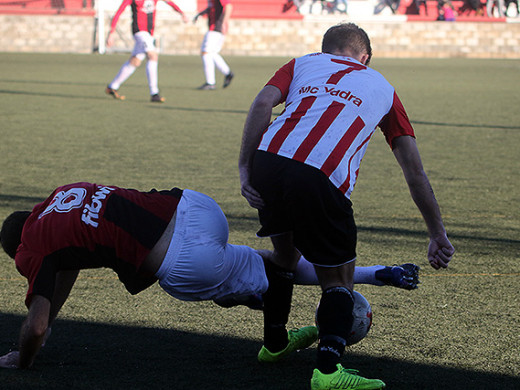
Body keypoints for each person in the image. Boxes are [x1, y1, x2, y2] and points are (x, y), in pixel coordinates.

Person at [238, 22, 454, 390]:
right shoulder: (383, 88)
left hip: (268, 161)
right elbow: (413, 169)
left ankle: (274, 345)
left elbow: (261, 104)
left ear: (325, 49)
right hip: (319, 173)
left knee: (284, 255)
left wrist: (245, 167)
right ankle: (327, 372)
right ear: (365, 57)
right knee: (339, 279)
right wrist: (437, 232)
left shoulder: (303, 63)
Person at [0, 182, 420, 369]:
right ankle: (374, 273)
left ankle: (270, 327)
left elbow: (34, 327)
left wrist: (25, 355)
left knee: (258, 280)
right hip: (197, 207)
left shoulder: (33, 247)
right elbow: (67, 264)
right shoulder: (60, 197)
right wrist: (53, 313)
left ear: (18, 249)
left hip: (184, 260)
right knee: (266, 261)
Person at [105, 0, 188, 103]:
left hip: (148, 34)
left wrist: (182, 13)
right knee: (152, 55)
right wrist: (111, 33)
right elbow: (119, 12)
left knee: (135, 61)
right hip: (139, 32)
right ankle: (154, 93)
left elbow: (169, 2)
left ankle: (112, 86)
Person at [193, 0, 234, 90]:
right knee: (212, 53)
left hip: (216, 28)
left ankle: (210, 82)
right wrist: (200, 14)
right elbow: (212, 8)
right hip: (216, 28)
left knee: (205, 52)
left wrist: (224, 22)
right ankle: (228, 73)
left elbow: (228, 6)